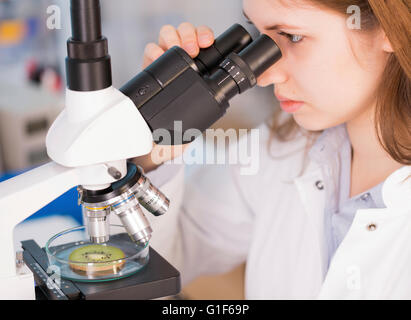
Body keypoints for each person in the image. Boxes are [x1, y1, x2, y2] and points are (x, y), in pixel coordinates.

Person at [132, 0, 411, 299]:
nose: (264, 76)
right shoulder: (278, 150)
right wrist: (155, 139)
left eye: (293, 37)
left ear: (389, 27)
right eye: (260, 35)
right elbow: (153, 264)